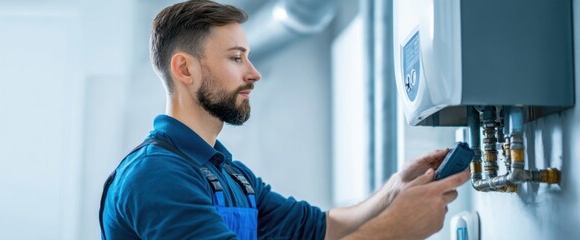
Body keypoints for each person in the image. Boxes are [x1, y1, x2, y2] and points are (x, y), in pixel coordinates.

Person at [99, 0, 471, 239]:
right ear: (185, 68)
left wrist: (394, 189)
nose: (254, 73)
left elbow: (319, 227)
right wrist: (395, 229)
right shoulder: (155, 177)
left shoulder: (233, 175)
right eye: (236, 58)